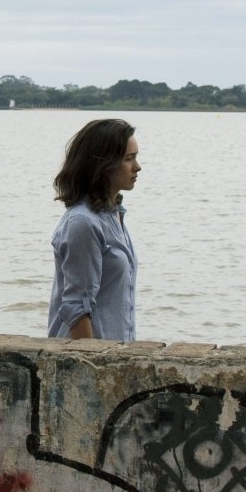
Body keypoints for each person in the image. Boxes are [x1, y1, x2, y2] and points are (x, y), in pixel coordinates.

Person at [47, 118, 140, 341]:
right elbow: (76, 308)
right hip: (89, 363)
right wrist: (95, 367)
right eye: (129, 159)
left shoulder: (114, 215)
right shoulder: (83, 222)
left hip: (115, 358)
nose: (137, 167)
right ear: (103, 164)